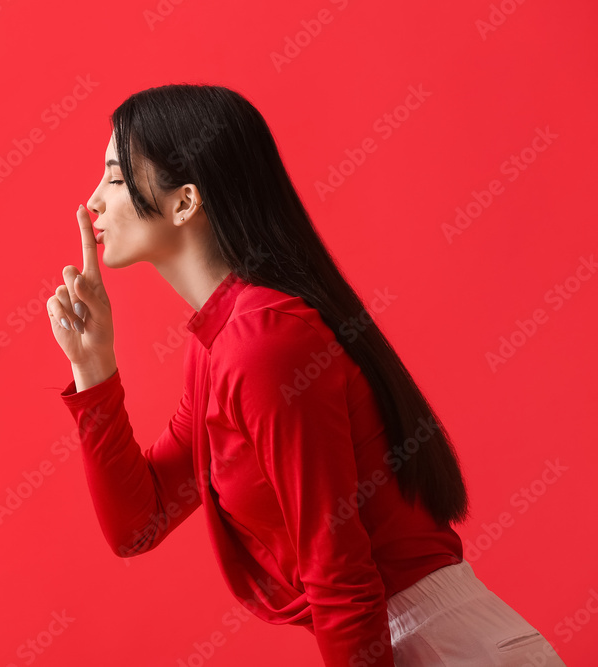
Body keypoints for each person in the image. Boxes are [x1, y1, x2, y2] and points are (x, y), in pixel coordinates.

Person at [45, 84, 566, 666]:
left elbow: (339, 575)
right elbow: (138, 524)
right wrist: (93, 367)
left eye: (116, 178)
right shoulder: (222, 344)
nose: (93, 199)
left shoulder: (263, 342)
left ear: (185, 201)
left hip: (443, 648)